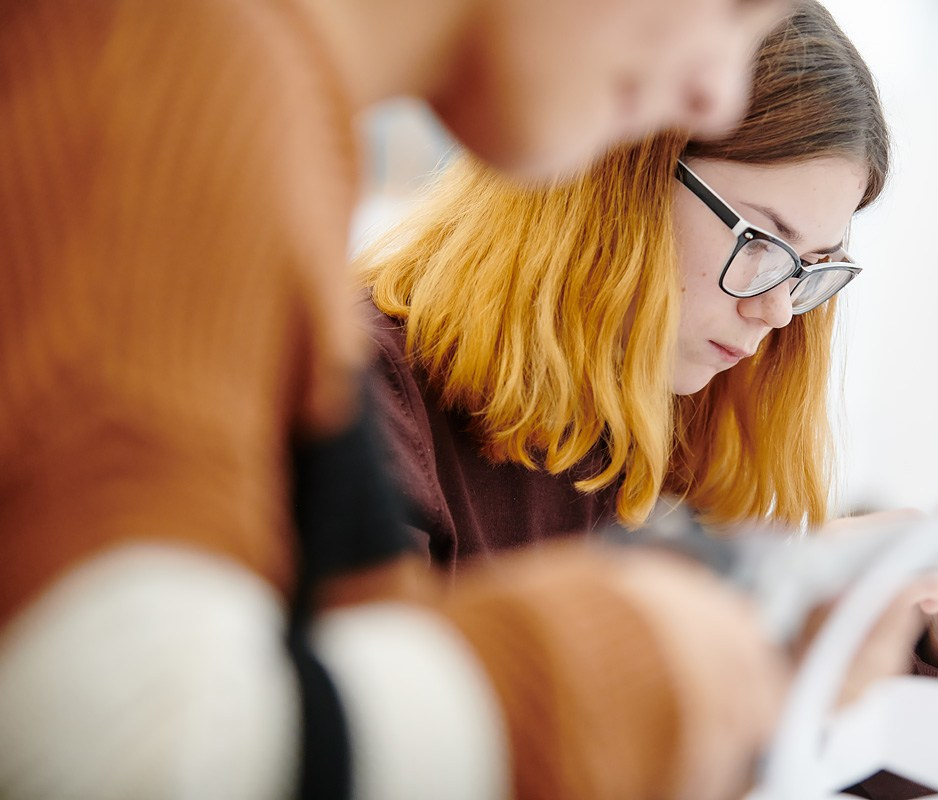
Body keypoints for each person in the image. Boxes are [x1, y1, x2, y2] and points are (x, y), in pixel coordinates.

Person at [0, 1, 796, 798]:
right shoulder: (171, 57)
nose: (716, 95)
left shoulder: (278, 121)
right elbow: (108, 748)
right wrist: (620, 668)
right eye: (729, 10)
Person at [361, 0, 938, 739]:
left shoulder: (702, 426)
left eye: (814, 270)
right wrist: (750, 598)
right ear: (618, 176)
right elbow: (397, 745)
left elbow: (845, 769)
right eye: (761, 239)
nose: (781, 311)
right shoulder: (372, 387)